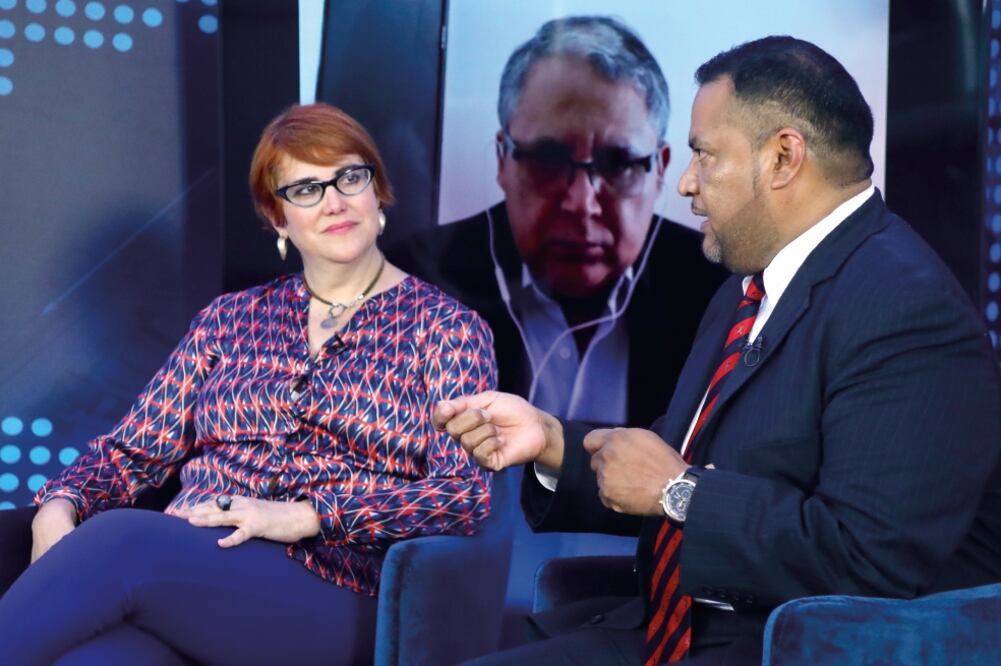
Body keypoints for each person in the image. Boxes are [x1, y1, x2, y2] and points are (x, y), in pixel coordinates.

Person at [433, 36, 1001, 665]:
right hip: (660, 631)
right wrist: (550, 442)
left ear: (784, 157)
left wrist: (681, 492)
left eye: (704, 155)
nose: (684, 183)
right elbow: (677, 461)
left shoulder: (906, 309)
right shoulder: (746, 285)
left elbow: (867, 559)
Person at [0, 103, 497, 665]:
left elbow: (462, 495)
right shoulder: (230, 318)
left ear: (377, 192)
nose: (333, 201)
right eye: (305, 189)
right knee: (98, 660)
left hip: (333, 587)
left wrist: (306, 514)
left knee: (119, 541)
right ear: (277, 217)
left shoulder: (447, 330)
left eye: (349, 178)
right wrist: (59, 504)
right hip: (188, 566)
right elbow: (131, 451)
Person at [389, 16, 727, 428]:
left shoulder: (722, 294)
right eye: (548, 159)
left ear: (660, 169)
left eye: (618, 163)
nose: (581, 203)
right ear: (502, 160)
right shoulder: (411, 286)